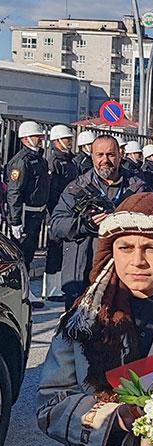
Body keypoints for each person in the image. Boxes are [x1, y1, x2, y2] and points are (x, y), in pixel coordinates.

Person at [37, 192, 153, 446]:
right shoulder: (83, 319)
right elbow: (49, 405)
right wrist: (114, 417)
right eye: (125, 248)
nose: (137, 261)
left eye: (152, 248)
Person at [50, 135, 150, 311]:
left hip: (123, 275)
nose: (105, 160)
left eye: (111, 154)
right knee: (76, 333)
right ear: (92, 157)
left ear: (120, 155)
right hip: (82, 274)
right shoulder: (76, 188)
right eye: (100, 155)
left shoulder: (138, 188)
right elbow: (57, 225)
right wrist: (85, 224)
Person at [6, 121, 50, 308]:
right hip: (25, 213)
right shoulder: (21, 161)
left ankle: (26, 290)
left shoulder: (38, 158)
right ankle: (23, 292)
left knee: (29, 254)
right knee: (22, 254)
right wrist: (15, 221)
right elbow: (14, 192)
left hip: (36, 213)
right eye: (36, 136)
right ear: (25, 138)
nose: (40, 139)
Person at [43, 124, 80, 305]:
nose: (69, 142)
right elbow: (51, 191)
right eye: (67, 139)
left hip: (70, 212)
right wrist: (53, 214)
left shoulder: (70, 161)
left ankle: (59, 286)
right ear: (57, 141)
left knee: (64, 250)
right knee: (54, 249)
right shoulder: (54, 162)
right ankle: (50, 288)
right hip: (58, 211)